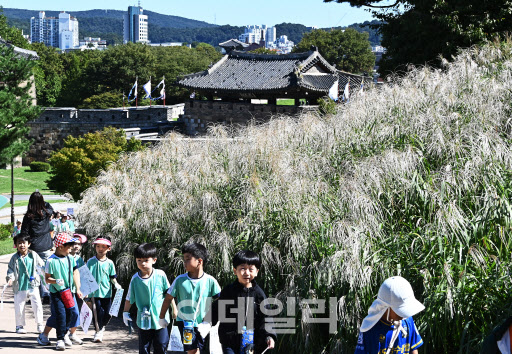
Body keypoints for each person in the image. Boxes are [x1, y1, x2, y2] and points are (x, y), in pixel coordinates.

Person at [159, 242, 221, 354]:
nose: (184, 262)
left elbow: (220, 301)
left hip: (204, 324)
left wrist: (211, 320)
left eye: (188, 259)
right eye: (184, 259)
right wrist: (161, 317)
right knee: (191, 350)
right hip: (185, 323)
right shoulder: (180, 280)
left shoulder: (210, 281)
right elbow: (168, 298)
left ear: (199, 261)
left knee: (201, 349)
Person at [210, 250, 276, 354]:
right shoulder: (229, 291)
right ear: (235, 270)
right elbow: (217, 310)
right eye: (243, 268)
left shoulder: (259, 294)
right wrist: (204, 325)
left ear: (257, 271)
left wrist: (269, 336)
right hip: (229, 340)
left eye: (251, 269)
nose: (247, 273)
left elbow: (266, 317)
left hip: (251, 342)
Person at [38, 234, 88, 346]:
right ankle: (59, 339)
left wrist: (78, 288)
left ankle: (65, 334)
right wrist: (55, 281)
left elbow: (75, 272)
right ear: (60, 246)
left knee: (71, 313)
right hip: (57, 293)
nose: (71, 249)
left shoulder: (70, 258)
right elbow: (47, 278)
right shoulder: (51, 261)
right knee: (60, 315)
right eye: (69, 246)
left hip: (69, 292)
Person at [354, 276, 424, 354]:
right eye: (400, 310)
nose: (404, 314)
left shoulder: (407, 320)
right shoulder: (369, 329)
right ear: (385, 307)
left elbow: (413, 348)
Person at [122, 243, 171, 354]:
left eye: (146, 260)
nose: (142, 263)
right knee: (144, 348)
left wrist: (174, 310)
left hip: (161, 318)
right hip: (144, 320)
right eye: (139, 260)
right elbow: (129, 298)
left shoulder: (160, 275)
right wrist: (125, 312)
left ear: (154, 260)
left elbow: (169, 294)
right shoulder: (135, 279)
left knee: (161, 345)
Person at [6, 233, 45, 334]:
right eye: (19, 243)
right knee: (19, 306)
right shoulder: (14, 258)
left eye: (24, 243)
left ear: (29, 244)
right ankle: (19, 326)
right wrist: (10, 278)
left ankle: (40, 324)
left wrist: (39, 274)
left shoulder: (33, 255)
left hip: (33, 286)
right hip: (20, 286)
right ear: (16, 245)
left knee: (37, 305)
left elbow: (42, 266)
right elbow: (10, 270)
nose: (22, 245)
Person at [86, 236, 122, 343]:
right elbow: (86, 277)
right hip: (94, 293)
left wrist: (116, 284)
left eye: (103, 246)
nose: (100, 249)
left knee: (109, 313)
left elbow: (112, 277)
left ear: (109, 249)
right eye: (98, 246)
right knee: (96, 313)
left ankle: (101, 327)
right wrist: (86, 293)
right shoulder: (90, 261)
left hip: (107, 292)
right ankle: (98, 331)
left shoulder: (110, 263)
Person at [21, 191, 54, 301]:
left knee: (33, 271)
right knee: (44, 270)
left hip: (33, 246)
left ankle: (33, 294)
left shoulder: (28, 217)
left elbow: (24, 232)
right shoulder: (46, 213)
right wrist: (42, 203)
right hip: (45, 245)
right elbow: (51, 207)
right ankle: (46, 293)